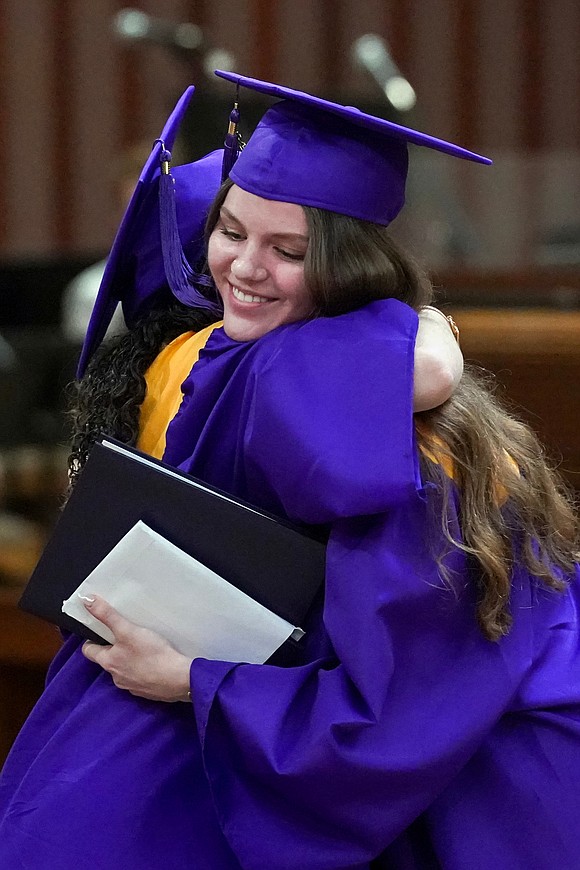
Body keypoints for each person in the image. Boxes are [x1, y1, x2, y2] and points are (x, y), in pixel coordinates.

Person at [1, 72, 579, 870]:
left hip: (487, 757)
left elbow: (397, 712)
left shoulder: (407, 444)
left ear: (348, 270)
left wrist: (197, 683)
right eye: (230, 230)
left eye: (288, 251)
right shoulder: (215, 355)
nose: (240, 268)